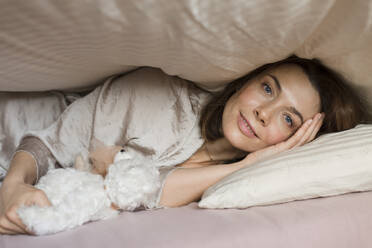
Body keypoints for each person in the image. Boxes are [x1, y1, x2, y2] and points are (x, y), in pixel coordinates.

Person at [0, 55, 369, 235]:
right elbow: (48, 144)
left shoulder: (238, 178)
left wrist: (250, 164)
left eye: (288, 118)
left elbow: (152, 191)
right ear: (245, 82)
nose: (263, 113)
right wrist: (14, 184)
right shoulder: (156, 93)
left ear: (293, 141)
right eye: (268, 88)